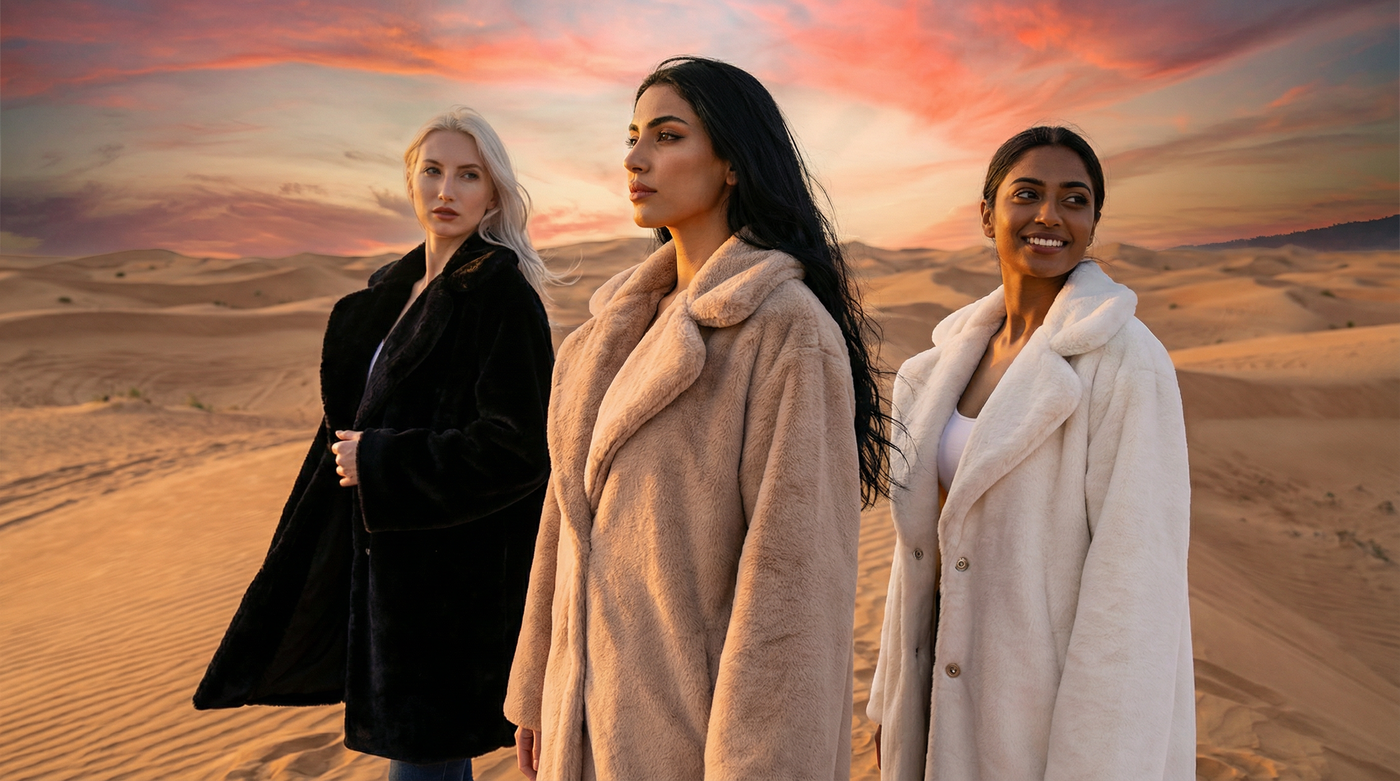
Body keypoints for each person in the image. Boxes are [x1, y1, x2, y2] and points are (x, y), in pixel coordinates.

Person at [503, 56, 893, 781]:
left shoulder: (784, 331)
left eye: (667, 135)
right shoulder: (600, 340)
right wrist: (537, 691)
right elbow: (561, 524)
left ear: (733, 165)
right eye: (632, 135)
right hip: (580, 725)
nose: (635, 158)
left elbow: (793, 588)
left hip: (689, 742)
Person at [193, 107, 558, 781]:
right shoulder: (388, 293)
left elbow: (518, 449)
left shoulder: (499, 294)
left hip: (455, 584)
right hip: (383, 575)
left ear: (494, 193)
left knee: (424, 761)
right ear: (410, 183)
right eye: (433, 171)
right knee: (426, 760)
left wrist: (386, 461)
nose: (447, 189)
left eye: (468, 174)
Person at [868, 126, 1194, 780]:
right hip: (933, 714)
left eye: (1074, 200)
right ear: (988, 215)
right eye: (1028, 194)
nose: (1050, 215)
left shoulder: (1126, 365)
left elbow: (1134, 593)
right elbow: (915, 560)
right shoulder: (929, 375)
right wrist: (890, 701)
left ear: (1093, 222)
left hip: (1042, 730)